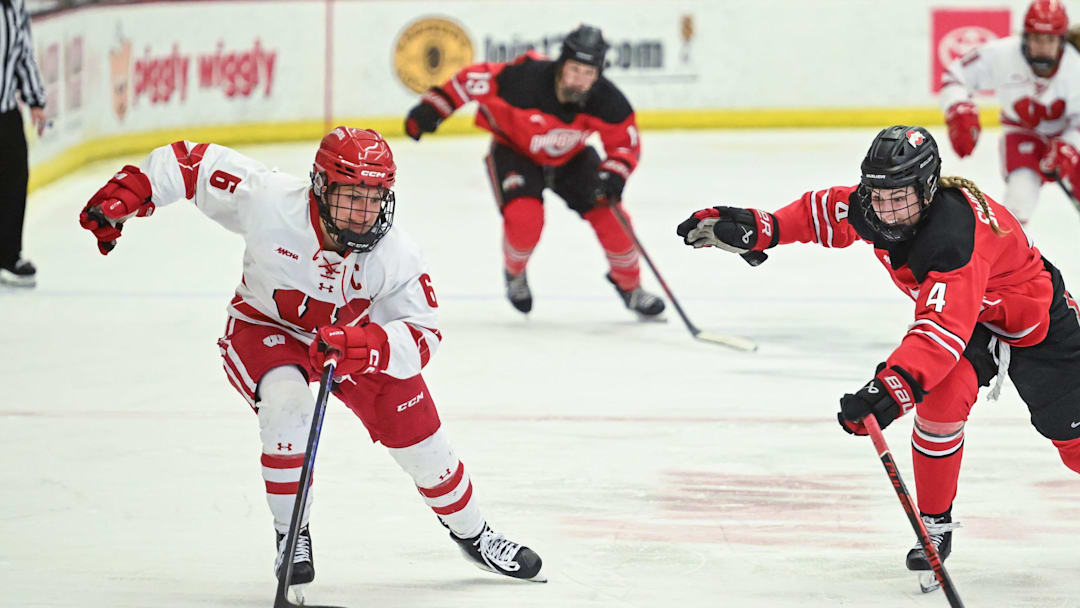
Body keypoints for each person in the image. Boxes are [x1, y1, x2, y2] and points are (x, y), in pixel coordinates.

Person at [77, 127, 545, 597]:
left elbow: (424, 332)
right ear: (320, 186)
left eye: (375, 198)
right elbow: (190, 164)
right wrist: (133, 189)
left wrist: (366, 346)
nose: (364, 213)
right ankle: (291, 534)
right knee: (287, 401)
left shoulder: (395, 254)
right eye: (350, 197)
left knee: (425, 445)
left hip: (354, 342)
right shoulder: (268, 200)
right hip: (267, 328)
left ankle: (475, 534)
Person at [676, 125, 1080, 579]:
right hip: (972, 324)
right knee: (940, 401)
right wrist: (764, 228)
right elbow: (822, 213)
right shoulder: (875, 205)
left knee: (1074, 448)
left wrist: (891, 387)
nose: (886, 210)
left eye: (899, 197)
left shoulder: (952, 237)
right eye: (879, 195)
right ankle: (934, 524)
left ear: (927, 188)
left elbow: (940, 330)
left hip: (1036, 326)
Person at [403, 24, 665, 318]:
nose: (580, 80)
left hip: (573, 158)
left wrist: (614, 175)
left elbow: (625, 145)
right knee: (524, 219)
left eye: (589, 73)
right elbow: (471, 80)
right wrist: (434, 107)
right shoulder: (523, 79)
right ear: (561, 64)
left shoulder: (607, 100)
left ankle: (630, 287)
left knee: (615, 219)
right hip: (515, 152)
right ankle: (515, 274)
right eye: (575, 69)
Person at [940, 0, 1080, 224]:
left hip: (1066, 133)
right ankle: (1012, 252)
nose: (1043, 47)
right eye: (1036, 38)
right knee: (1019, 199)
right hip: (1022, 132)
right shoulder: (1002, 54)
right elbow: (956, 76)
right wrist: (958, 108)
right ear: (1025, 36)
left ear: (1062, 40)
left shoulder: (1076, 66)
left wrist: (1070, 146)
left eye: (1050, 40)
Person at [0, 0, 47, 287]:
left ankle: (8, 254)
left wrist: (35, 99)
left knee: (15, 179)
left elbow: (23, 52)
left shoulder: (14, 4)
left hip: (5, 112)